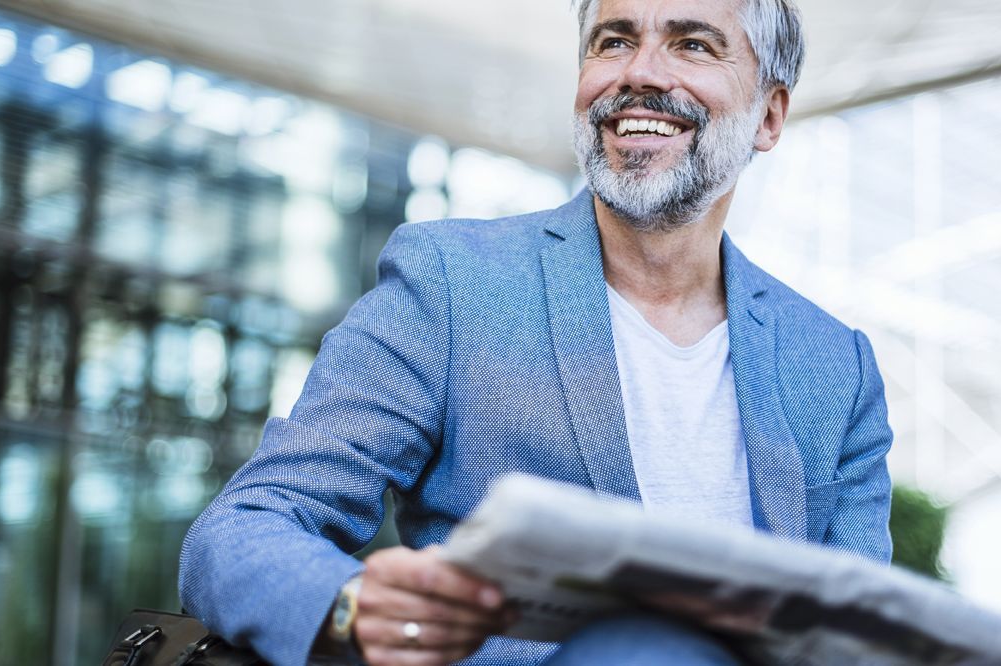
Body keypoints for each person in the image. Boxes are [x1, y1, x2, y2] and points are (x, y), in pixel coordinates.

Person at [178, 0, 894, 664]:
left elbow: (860, 639)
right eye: (613, 41)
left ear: (769, 116)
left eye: (692, 44)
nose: (640, 73)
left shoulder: (835, 365)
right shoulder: (454, 284)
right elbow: (243, 528)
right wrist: (353, 608)